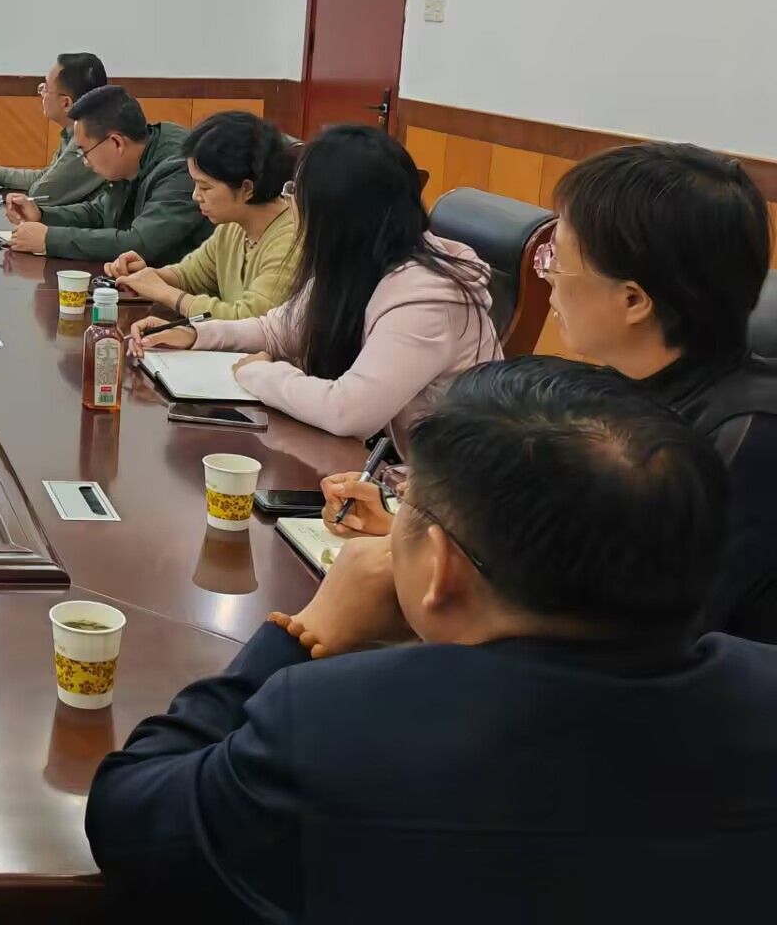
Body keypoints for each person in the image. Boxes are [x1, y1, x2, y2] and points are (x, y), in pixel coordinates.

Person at [86, 358, 777, 915]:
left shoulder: (330, 724)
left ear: (442, 568)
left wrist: (300, 633)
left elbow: (130, 818)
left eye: (406, 499)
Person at [322, 143, 777, 644]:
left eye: (557, 257)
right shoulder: (617, 391)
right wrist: (417, 532)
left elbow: (639, 640)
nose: (545, 274)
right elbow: (559, 577)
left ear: (632, 300)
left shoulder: (748, 441)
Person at [133, 125, 496, 443]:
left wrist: (259, 373)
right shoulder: (357, 258)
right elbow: (278, 329)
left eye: (297, 194)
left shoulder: (427, 298)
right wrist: (197, 335)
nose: (291, 207)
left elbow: (347, 411)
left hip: (446, 483)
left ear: (338, 215)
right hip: (381, 465)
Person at [108, 110, 298, 320]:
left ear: (247, 188)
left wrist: (164, 292)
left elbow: (249, 319)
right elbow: (190, 276)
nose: (195, 196)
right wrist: (147, 276)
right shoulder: (233, 227)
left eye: (205, 187)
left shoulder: (291, 240)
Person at [1, 86, 208, 265]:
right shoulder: (134, 156)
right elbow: (100, 212)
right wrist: (42, 215)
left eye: (85, 152)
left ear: (116, 143)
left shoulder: (180, 168)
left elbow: (139, 244)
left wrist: (49, 239)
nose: (85, 161)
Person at [0, 52, 109, 208]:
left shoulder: (90, 140)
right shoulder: (77, 130)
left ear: (66, 103)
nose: (41, 93)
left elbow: (42, 193)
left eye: (45, 88)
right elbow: (45, 178)